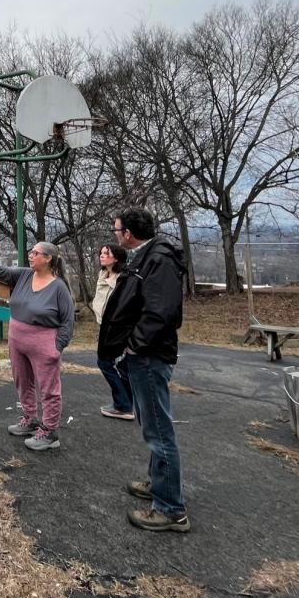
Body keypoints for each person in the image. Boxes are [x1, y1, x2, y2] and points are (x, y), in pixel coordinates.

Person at [98, 207, 189, 533]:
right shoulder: (146, 255)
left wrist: (133, 344)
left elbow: (160, 311)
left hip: (149, 357)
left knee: (159, 431)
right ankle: (158, 484)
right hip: (143, 356)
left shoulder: (159, 259)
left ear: (128, 233)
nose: (115, 233)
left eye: (117, 228)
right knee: (152, 425)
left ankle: (170, 509)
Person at [0, 242, 74, 451]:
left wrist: (57, 347)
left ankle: (50, 432)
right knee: (23, 382)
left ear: (48, 258)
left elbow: (68, 321)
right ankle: (30, 419)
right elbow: (1, 271)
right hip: (17, 340)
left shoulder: (58, 287)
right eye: (30, 252)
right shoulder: (23, 275)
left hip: (44, 343)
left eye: (35, 253)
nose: (30, 256)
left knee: (49, 389)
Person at [91, 243, 133, 420]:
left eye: (106, 253)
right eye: (101, 252)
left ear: (116, 257)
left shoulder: (123, 278)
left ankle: (123, 406)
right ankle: (128, 402)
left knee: (105, 363)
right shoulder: (103, 274)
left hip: (116, 328)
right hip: (105, 325)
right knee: (121, 365)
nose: (102, 256)